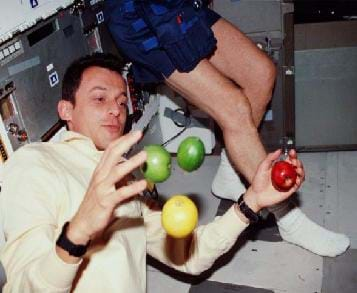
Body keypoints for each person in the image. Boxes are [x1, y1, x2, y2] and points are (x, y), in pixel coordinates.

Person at [0, 53, 305, 292]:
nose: (116, 110)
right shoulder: (34, 162)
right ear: (66, 110)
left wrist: (252, 201)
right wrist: (77, 232)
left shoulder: (125, 180)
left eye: (122, 102)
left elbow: (191, 256)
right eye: (99, 98)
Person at [104, 0, 350, 257]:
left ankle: (229, 172)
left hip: (177, 6)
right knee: (233, 108)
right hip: (143, 18)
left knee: (261, 72)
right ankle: (288, 217)